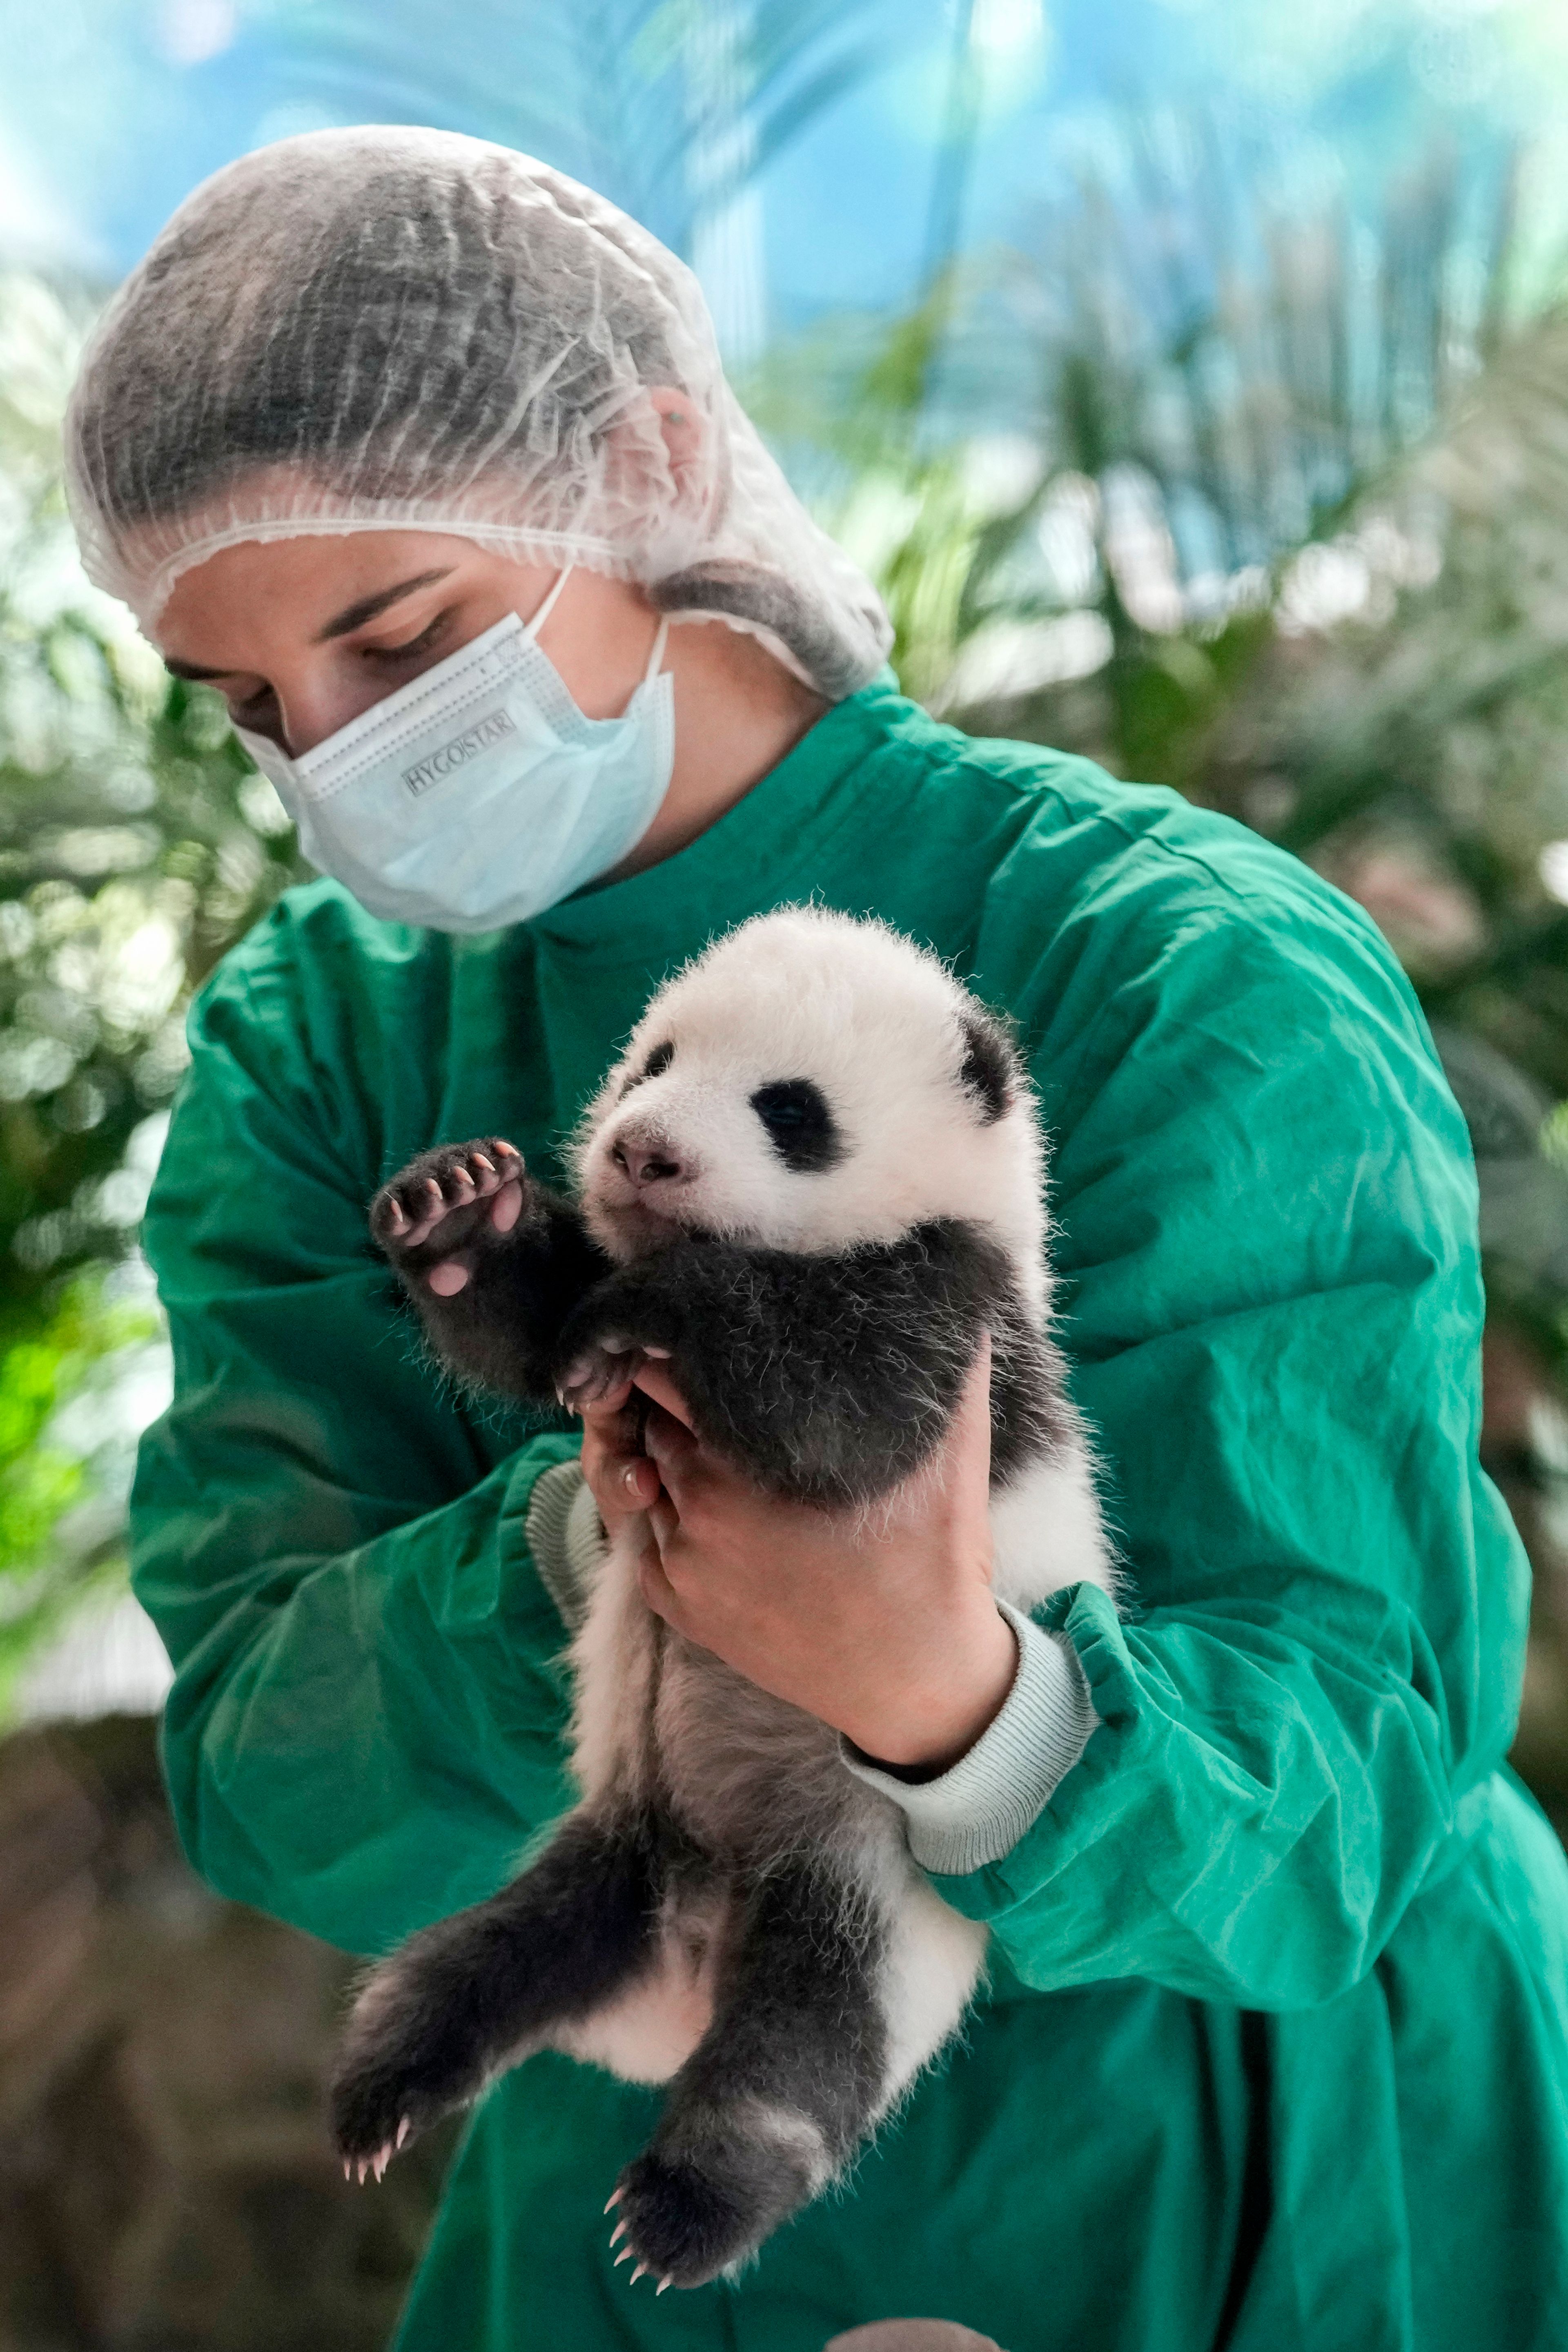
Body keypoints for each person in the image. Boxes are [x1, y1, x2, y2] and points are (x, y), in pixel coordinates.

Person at [64, 125, 1568, 2352]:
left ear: (651, 455)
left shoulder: (1179, 975)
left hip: (1253, 2115)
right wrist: (617, 1540)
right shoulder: (329, 1044)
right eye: (256, 706)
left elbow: (1336, 1798)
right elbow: (279, 1782)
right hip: (662, 2135)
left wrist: (957, 1697)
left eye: (401, 640)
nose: (336, 764)